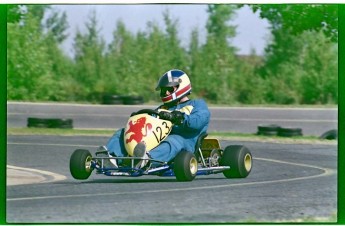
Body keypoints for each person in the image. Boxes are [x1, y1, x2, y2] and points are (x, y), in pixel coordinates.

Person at [96, 69, 210, 168]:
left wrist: (178, 117)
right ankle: (111, 157)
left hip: (185, 141)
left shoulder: (197, 104)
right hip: (157, 139)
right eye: (163, 90)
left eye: (169, 89)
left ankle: (147, 159)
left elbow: (198, 122)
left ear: (181, 87)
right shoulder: (163, 108)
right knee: (123, 132)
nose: (165, 93)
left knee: (173, 140)